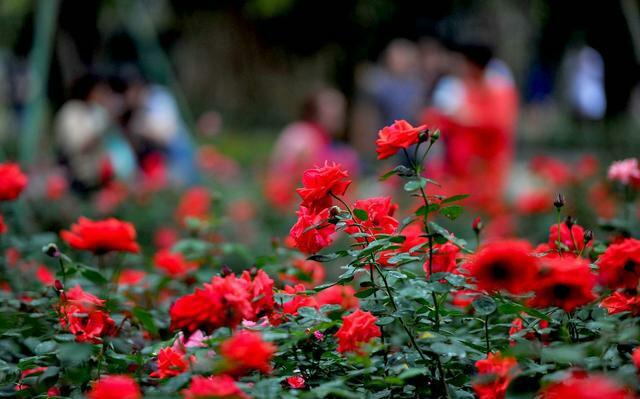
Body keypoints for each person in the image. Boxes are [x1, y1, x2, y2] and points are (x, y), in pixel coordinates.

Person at [422, 43, 518, 233]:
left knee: (486, 219)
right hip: (461, 169)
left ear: (472, 64)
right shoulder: (466, 88)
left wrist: (465, 118)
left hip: (487, 168)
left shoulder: (498, 89)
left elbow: (498, 123)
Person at [265, 87, 359, 210]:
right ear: (314, 110)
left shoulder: (331, 143)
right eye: (331, 106)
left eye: (340, 107)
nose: (338, 113)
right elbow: (288, 175)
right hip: (291, 206)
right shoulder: (301, 134)